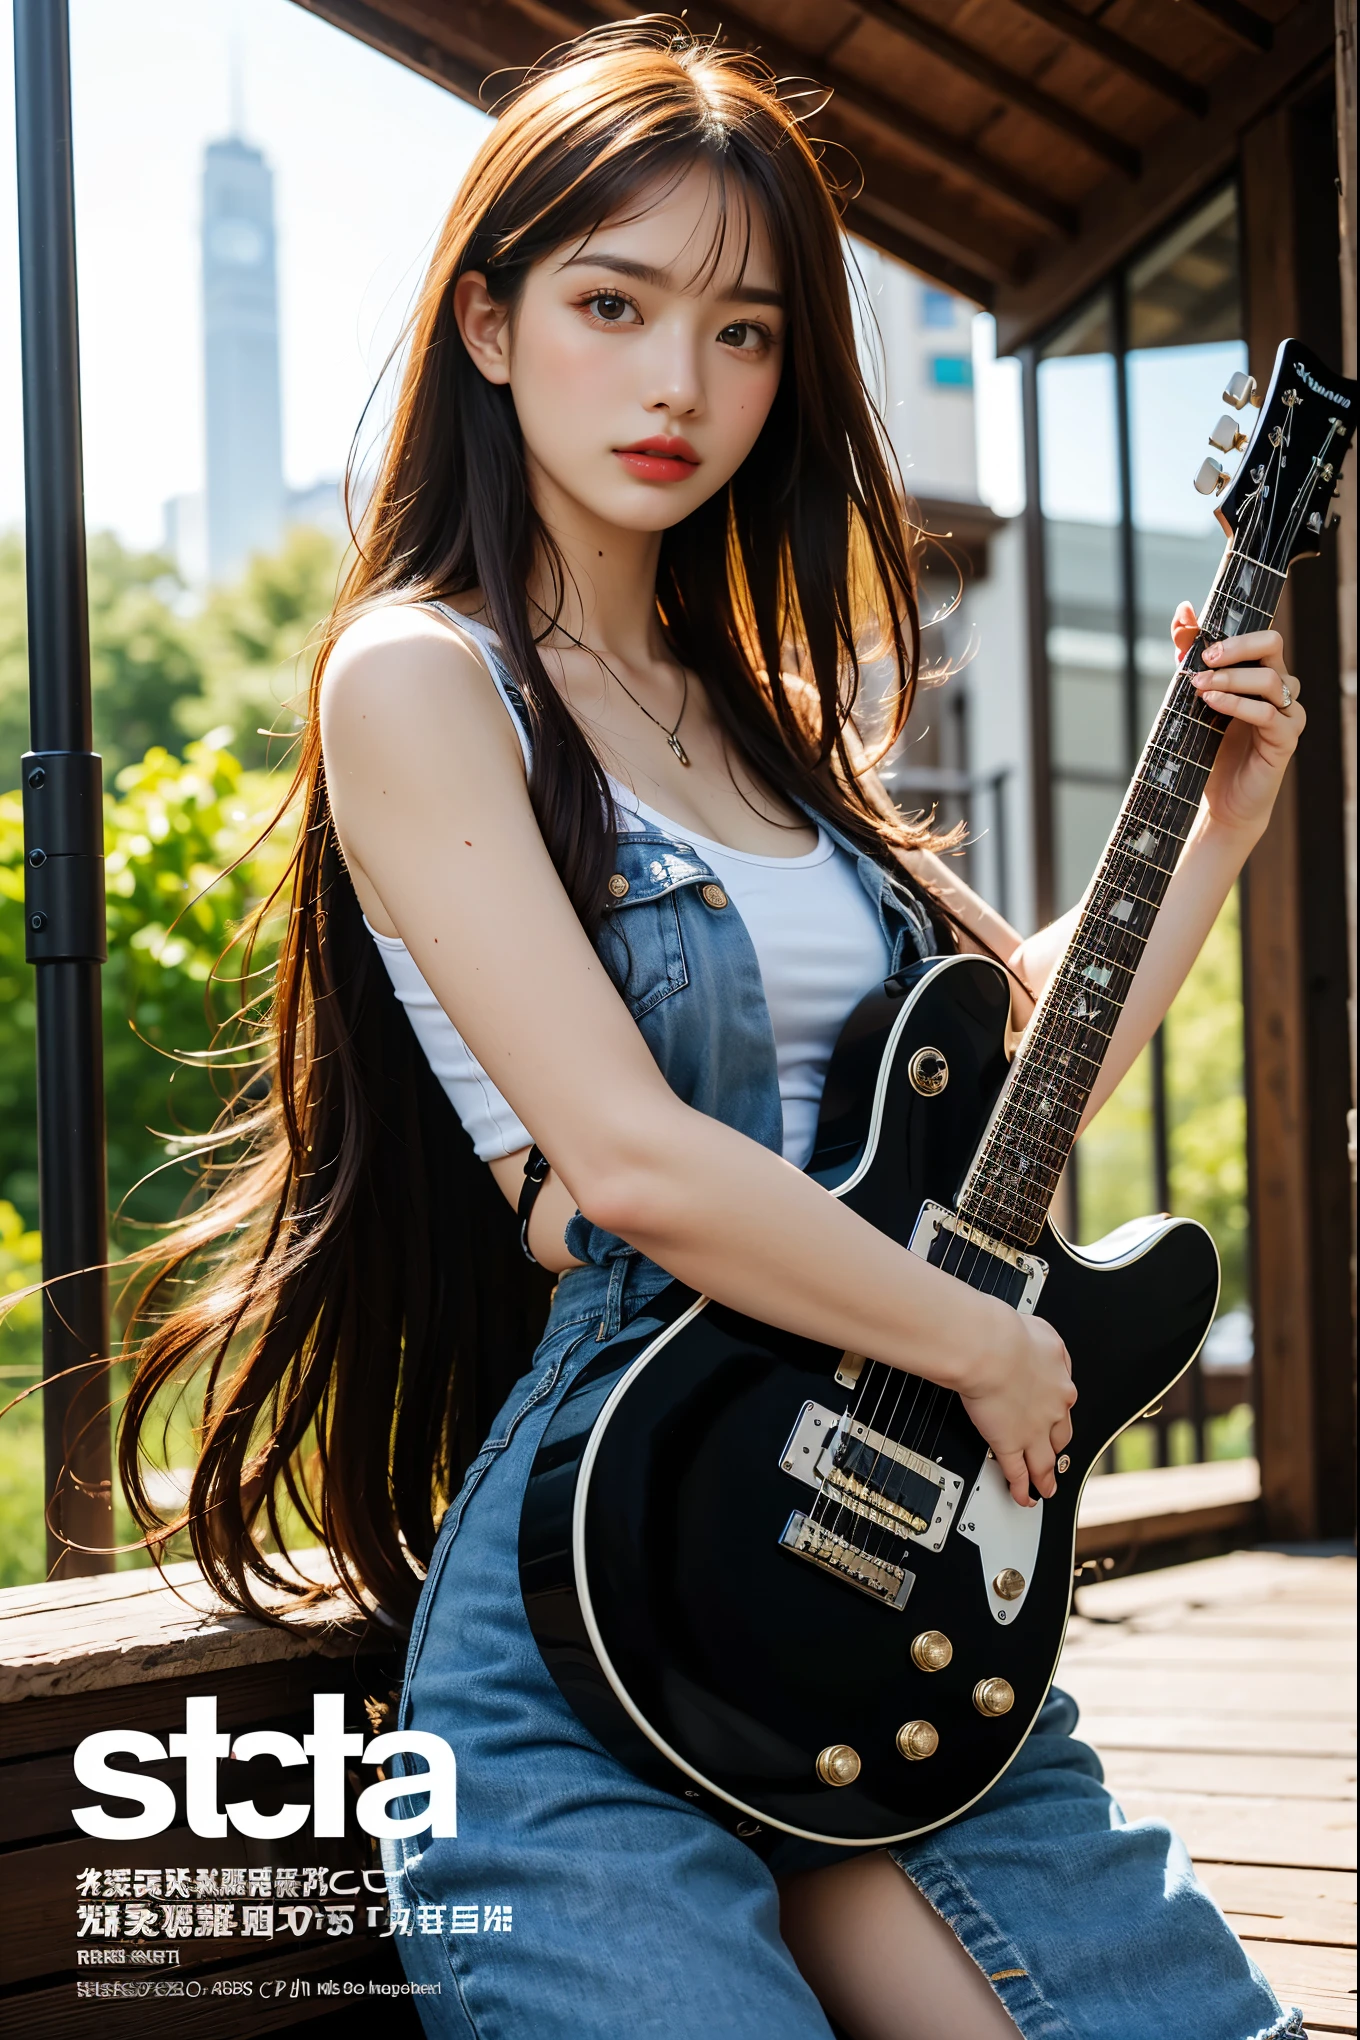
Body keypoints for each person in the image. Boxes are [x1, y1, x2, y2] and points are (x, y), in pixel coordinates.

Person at [120, 24, 1306, 2039]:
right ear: (486, 323)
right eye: (613, 305)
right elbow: (636, 1165)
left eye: (744, 331)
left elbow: (1002, 1120)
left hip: (881, 1610)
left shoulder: (769, 719)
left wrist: (1211, 836)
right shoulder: (421, 681)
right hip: (590, 1611)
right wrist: (980, 1344)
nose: (680, 383)